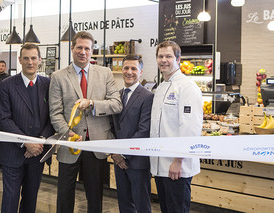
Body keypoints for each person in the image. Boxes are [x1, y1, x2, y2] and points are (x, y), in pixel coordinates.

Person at [49, 31, 122, 213]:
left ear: (92, 51)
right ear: (72, 48)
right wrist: (68, 133)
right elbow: (55, 113)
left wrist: (92, 103)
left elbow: (116, 104)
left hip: (96, 143)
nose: (83, 52)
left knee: (95, 194)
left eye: (87, 48)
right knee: (65, 195)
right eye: (79, 47)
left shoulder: (105, 73)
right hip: (69, 142)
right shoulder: (58, 76)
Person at [0, 43, 55, 213]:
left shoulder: (48, 84)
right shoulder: (7, 85)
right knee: (10, 199)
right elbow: (4, 119)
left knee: (31, 199)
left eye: (33, 58)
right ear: (20, 60)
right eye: (26, 58)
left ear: (39, 60)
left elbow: (52, 117)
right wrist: (25, 143)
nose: (30, 62)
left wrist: (38, 143)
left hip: (38, 153)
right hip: (13, 154)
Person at [150, 41, 203, 213]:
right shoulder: (161, 87)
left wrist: (178, 159)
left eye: (168, 56)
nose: (163, 60)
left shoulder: (187, 87)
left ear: (178, 59)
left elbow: (190, 128)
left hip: (177, 166)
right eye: (160, 56)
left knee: (177, 210)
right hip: (160, 164)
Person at [112, 54, 153, 213]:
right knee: (124, 205)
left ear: (141, 72)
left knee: (141, 205)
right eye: (126, 68)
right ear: (121, 70)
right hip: (118, 162)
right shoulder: (116, 95)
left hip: (137, 162)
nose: (129, 72)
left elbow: (144, 131)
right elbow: (112, 127)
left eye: (134, 68)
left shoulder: (147, 97)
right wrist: (115, 153)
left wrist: (123, 154)